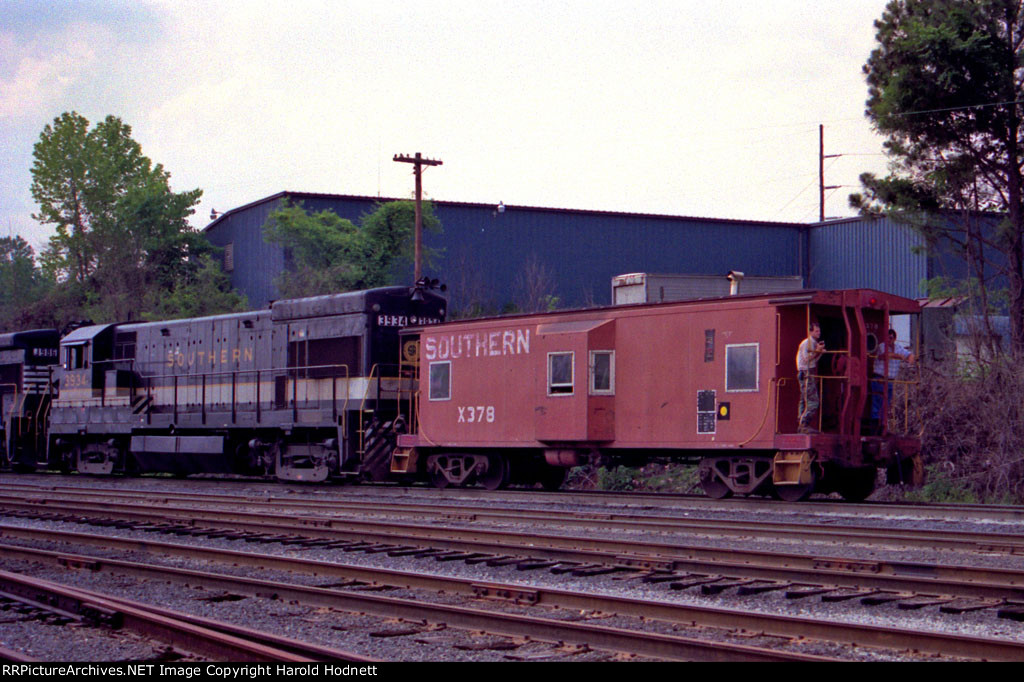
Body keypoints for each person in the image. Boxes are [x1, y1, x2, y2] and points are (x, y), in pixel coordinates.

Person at [870, 328, 915, 422]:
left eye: (891, 338)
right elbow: (886, 355)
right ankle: (874, 428)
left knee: (886, 404)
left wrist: (910, 363)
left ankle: (882, 426)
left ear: (894, 338)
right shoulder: (882, 346)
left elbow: (910, 355)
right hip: (879, 379)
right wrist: (900, 356)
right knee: (876, 403)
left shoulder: (898, 347)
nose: (888, 339)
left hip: (890, 381)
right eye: (887, 337)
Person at [796, 321, 825, 433]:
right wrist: (816, 351)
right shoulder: (807, 343)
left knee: (804, 399)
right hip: (806, 373)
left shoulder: (813, 343)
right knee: (813, 401)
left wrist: (820, 353)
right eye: (816, 331)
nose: (819, 333)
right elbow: (807, 359)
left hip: (808, 372)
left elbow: (813, 361)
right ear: (810, 331)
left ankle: (801, 422)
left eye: (819, 330)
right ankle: (804, 424)